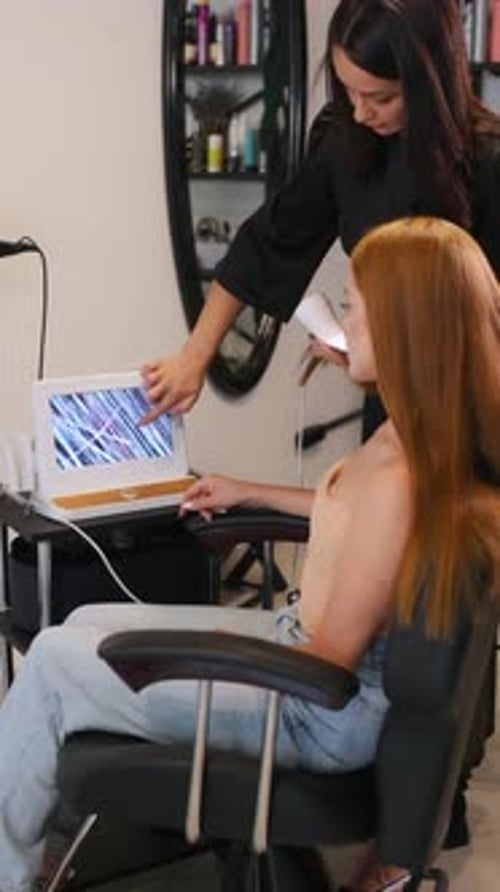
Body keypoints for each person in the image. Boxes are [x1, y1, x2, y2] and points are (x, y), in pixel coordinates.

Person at [0, 216, 499, 892]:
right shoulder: (418, 434)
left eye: (355, 309)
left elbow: (328, 667)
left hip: (314, 706)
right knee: (87, 618)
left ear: (406, 329)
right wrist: (246, 492)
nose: (343, 323)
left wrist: (189, 654)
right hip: (305, 657)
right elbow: (351, 520)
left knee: (56, 665)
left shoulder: (398, 480)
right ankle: (43, 834)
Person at [141, 0, 500, 425]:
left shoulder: (489, 163)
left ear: (430, 82)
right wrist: (194, 356)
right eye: (347, 91)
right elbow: (270, 242)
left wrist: (381, 357)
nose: (361, 112)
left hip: (477, 412)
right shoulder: (344, 138)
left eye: (379, 97)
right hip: (393, 408)